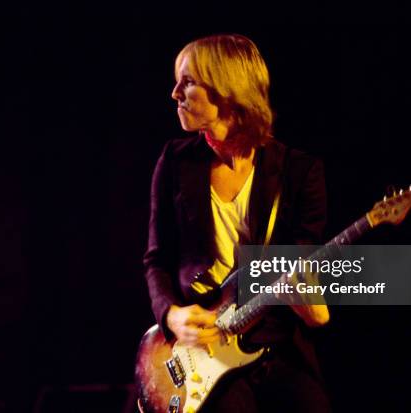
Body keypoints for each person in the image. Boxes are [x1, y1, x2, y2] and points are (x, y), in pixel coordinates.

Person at [143, 33, 331, 413]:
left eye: (189, 82)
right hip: (203, 349)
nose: (175, 93)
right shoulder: (176, 161)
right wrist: (172, 314)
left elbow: (303, 266)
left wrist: (308, 299)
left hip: (276, 343)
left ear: (228, 91)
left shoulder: (298, 172)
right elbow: (157, 259)